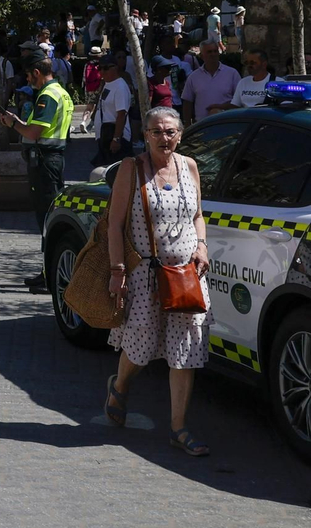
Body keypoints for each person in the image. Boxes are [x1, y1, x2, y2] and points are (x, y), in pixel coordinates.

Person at [102, 106, 212, 456]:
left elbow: (197, 215)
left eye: (170, 132)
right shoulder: (131, 170)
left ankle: (178, 429)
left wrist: (202, 247)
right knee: (141, 347)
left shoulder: (190, 167)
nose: (164, 138)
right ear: (145, 135)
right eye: (156, 132)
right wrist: (118, 271)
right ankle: (119, 386)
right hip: (145, 275)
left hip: (185, 276)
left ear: (180, 134)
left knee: (185, 352)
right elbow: (115, 225)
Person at [2, 55, 72, 292]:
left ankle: (50, 277)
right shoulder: (60, 92)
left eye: (29, 75)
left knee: (47, 220)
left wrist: (13, 123)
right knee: (47, 219)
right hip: (50, 160)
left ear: (37, 72)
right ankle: (46, 272)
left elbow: (34, 132)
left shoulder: (48, 96)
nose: (28, 79)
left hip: (45, 162)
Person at [180, 41, 240, 126]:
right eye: (209, 52)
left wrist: (221, 107)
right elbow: (187, 101)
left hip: (228, 124)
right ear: (201, 56)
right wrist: (187, 125)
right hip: (202, 126)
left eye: (215, 51)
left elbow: (239, 101)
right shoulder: (194, 77)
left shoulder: (232, 73)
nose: (213, 54)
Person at [92, 54, 132, 165]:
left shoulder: (120, 86)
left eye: (106, 68)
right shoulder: (107, 83)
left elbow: (121, 114)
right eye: (100, 68)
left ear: (115, 67)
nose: (102, 71)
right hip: (105, 135)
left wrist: (116, 139)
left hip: (115, 136)